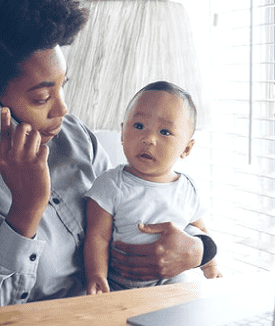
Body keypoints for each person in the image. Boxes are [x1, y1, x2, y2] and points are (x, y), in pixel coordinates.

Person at [0, 0, 216, 317]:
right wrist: (25, 212)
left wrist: (200, 249)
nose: (62, 110)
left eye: (63, 87)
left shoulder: (75, 139)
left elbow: (138, 213)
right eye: (43, 96)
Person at [84, 82, 222, 294]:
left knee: (189, 294)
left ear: (186, 148)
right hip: (120, 284)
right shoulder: (111, 184)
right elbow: (97, 237)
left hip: (172, 284)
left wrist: (210, 267)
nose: (148, 139)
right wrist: (97, 275)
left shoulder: (187, 189)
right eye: (139, 126)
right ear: (122, 132)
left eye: (165, 131)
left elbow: (200, 230)